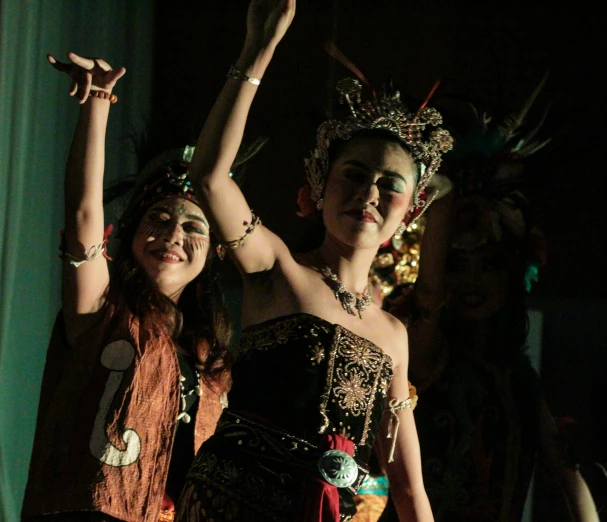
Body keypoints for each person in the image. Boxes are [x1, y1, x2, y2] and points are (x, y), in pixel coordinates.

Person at [173, 1, 454, 520]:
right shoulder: (278, 269)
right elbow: (211, 177)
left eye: (390, 184)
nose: (369, 192)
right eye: (353, 174)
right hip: (227, 507)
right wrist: (258, 51)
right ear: (320, 188)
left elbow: (411, 491)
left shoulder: (393, 335)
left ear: (409, 213)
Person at [21, 53, 234, 522]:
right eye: (159, 218)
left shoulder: (212, 357)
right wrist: (96, 104)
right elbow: (81, 220)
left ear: (215, 250)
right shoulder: (103, 312)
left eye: (193, 225)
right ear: (129, 232)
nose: (175, 234)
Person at [377, 81, 600, 522]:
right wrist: (441, 206)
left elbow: (567, 473)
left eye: (490, 265)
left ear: (514, 275)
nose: (472, 281)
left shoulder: (518, 379)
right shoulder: (426, 357)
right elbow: (429, 298)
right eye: (458, 265)